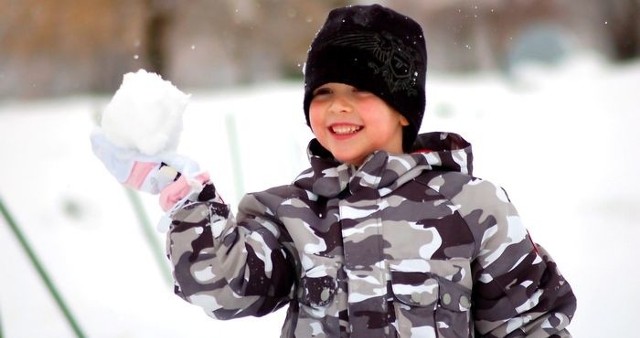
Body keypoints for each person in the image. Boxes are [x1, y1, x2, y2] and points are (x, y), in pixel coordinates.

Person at [91, 4, 576, 337]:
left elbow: (528, 324)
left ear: (404, 109)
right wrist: (187, 197)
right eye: (323, 93)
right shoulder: (287, 211)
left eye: (360, 91)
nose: (338, 108)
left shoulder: (473, 206)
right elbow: (223, 289)